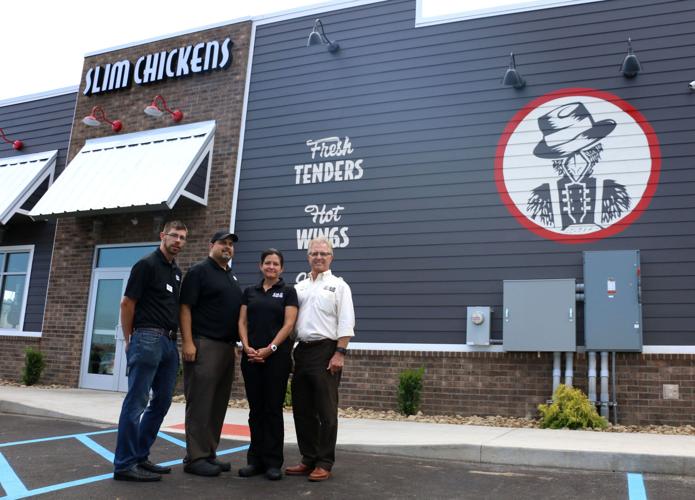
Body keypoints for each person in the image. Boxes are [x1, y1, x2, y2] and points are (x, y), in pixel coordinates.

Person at [113, 220, 188, 482]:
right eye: (174, 235)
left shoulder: (176, 272)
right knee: (137, 401)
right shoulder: (146, 265)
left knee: (162, 401)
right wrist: (129, 338)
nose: (178, 241)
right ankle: (124, 464)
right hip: (146, 337)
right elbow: (127, 303)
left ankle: (139, 456)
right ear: (162, 235)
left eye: (182, 238)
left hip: (169, 342)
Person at [285, 236, 355, 482]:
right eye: (314, 253)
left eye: (323, 253)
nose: (319, 257)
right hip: (302, 351)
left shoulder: (339, 286)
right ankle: (308, 458)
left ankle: (324, 462)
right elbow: (291, 323)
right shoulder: (300, 287)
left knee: (326, 411)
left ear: (331, 257)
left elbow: (346, 322)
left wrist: (340, 353)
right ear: (308, 257)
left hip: (327, 351)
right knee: (302, 409)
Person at [179, 231, 243, 476]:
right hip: (204, 344)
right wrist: (188, 342)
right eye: (222, 243)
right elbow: (185, 307)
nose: (227, 247)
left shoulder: (230, 275)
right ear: (211, 245)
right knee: (200, 403)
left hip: (226, 347)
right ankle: (195, 458)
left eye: (230, 244)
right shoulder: (199, 271)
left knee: (217, 404)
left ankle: (208, 453)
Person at [238, 249, 298, 481]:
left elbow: (289, 324)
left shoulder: (288, 292)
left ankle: (273, 462)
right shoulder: (249, 292)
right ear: (260, 266)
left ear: (281, 268)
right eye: (267, 263)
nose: (271, 267)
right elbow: (242, 322)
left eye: (275, 264)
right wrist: (246, 346)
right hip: (251, 358)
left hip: (276, 360)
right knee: (256, 410)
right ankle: (255, 461)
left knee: (272, 410)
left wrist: (270, 348)